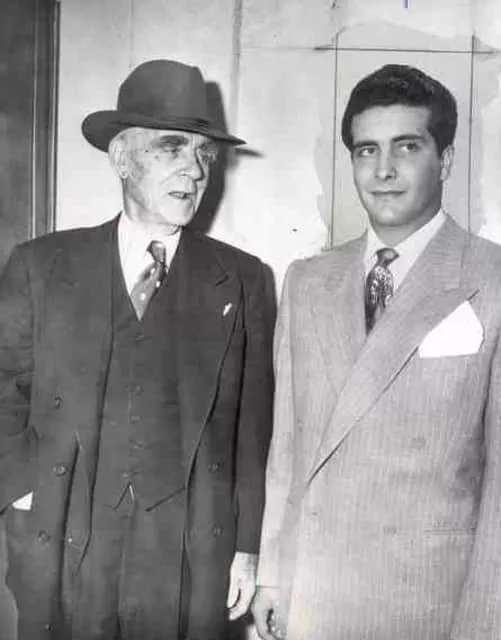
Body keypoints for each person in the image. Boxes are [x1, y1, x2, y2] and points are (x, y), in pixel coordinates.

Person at [0, 59, 274, 639]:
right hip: (66, 530)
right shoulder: (41, 266)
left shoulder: (243, 278)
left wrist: (248, 548)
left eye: (204, 155)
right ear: (121, 157)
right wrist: (23, 492)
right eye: (172, 147)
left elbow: (253, 429)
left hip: (188, 546)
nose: (193, 170)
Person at [252, 64, 501, 640]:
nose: (383, 171)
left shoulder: (490, 277)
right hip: (318, 595)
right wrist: (274, 577)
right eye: (367, 151)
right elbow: (287, 448)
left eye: (406, 147)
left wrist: (485, 622)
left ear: (445, 160)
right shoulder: (308, 280)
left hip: (430, 600)